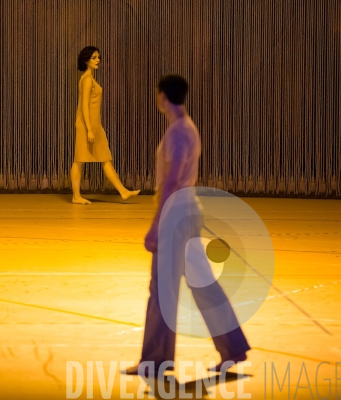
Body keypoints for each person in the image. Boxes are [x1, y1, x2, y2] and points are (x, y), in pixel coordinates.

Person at [125, 75, 250, 375]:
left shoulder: (179, 132)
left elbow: (172, 181)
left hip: (175, 217)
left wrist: (156, 225)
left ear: (162, 97)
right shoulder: (186, 129)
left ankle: (155, 360)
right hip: (188, 213)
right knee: (203, 284)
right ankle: (232, 348)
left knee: (162, 289)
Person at [70, 46, 140, 204]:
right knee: (79, 160)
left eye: (98, 57)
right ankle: (76, 196)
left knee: (105, 158)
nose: (97, 60)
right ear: (86, 60)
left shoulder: (91, 79)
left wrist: (93, 128)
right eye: (94, 57)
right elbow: (85, 106)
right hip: (87, 126)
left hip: (95, 125)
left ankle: (123, 191)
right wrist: (89, 130)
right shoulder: (87, 80)